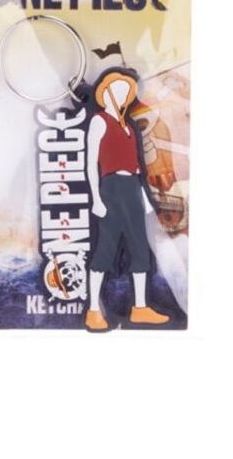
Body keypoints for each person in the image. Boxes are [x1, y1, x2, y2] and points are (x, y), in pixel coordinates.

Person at [85, 68, 170, 331]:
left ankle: (140, 307)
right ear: (106, 93)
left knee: (139, 246)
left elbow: (136, 164)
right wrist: (96, 198)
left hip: (133, 187)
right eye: (118, 90)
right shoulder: (99, 121)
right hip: (111, 188)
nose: (123, 95)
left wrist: (142, 196)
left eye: (127, 91)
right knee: (105, 247)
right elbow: (90, 163)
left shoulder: (128, 125)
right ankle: (93, 310)